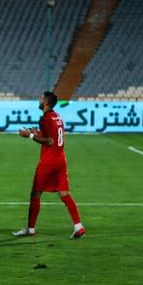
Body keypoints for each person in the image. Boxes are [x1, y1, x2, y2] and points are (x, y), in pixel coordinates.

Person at [15, 91, 86, 239]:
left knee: (35, 193)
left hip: (49, 161)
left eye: (41, 99)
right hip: (61, 159)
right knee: (64, 193)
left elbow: (50, 141)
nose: (39, 101)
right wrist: (37, 133)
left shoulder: (45, 117)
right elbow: (51, 136)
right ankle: (78, 226)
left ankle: (31, 229)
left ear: (46, 102)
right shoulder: (57, 117)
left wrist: (30, 135)